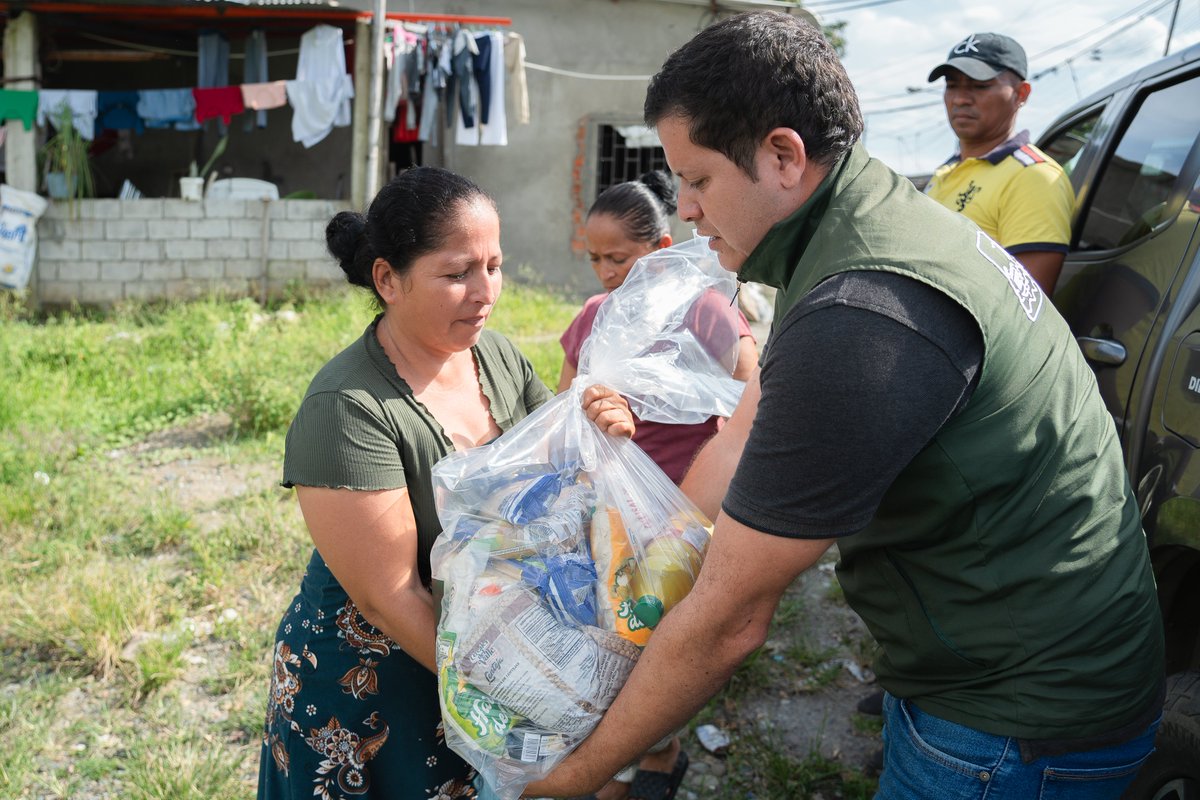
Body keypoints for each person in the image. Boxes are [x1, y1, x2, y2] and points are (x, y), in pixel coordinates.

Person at [526, 11, 1164, 800]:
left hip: (1019, 714)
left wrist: (569, 778)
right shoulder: (863, 224)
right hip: (1011, 657)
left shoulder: (861, 312)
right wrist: (638, 552)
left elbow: (730, 619)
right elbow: (740, 437)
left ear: (783, 156)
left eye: (698, 180)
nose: (684, 208)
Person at [255, 166, 634, 800]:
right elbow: (391, 596)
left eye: (495, 266)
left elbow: (557, 478)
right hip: (378, 690)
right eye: (458, 273)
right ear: (387, 279)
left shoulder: (497, 357)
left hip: (498, 658)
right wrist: (523, 692)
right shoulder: (348, 408)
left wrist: (599, 423)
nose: (486, 292)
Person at [558, 170, 758, 485]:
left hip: (688, 495)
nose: (604, 272)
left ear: (662, 247)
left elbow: (752, 405)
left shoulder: (705, 311)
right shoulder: (593, 315)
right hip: (609, 498)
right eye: (595, 258)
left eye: (617, 259)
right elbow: (565, 408)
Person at [923, 32, 1075, 295]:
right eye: (952, 85)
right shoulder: (944, 173)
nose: (960, 99)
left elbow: (1027, 303)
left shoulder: (1034, 177)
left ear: (1021, 94)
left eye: (979, 86)